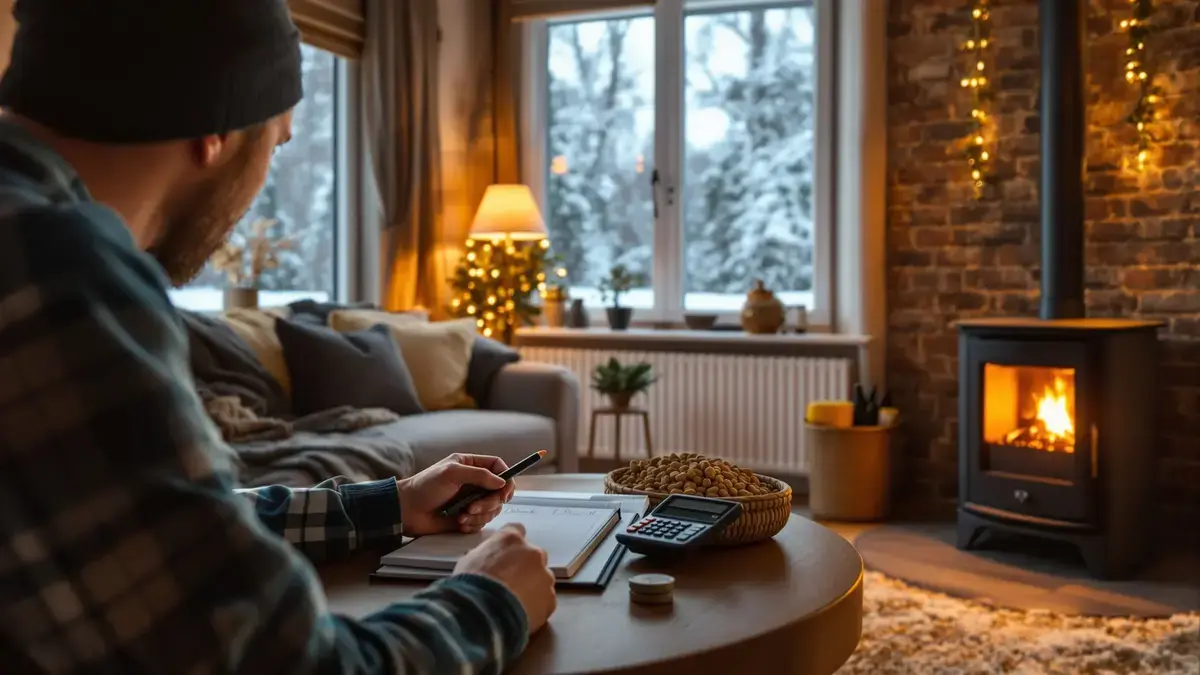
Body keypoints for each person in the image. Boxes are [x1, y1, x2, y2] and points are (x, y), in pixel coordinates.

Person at [0, 0, 557, 673]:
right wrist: (490, 598)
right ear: (215, 129)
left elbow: (143, 529)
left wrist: (390, 503)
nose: (260, 188)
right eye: (278, 140)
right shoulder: (58, 267)